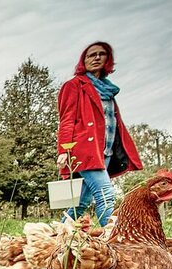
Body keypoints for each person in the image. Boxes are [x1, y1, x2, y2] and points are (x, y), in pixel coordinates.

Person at [56, 41, 142, 226]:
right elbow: (67, 119)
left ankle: (56, 238)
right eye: (90, 55)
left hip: (105, 151)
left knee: (81, 203)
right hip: (84, 150)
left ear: (108, 59)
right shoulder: (74, 86)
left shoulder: (108, 90)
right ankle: (116, 240)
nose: (96, 58)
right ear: (83, 61)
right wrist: (64, 149)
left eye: (100, 54)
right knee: (106, 195)